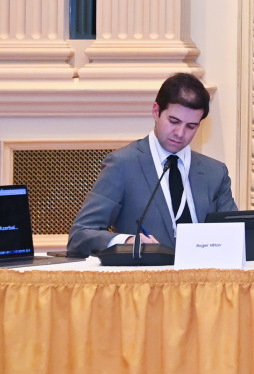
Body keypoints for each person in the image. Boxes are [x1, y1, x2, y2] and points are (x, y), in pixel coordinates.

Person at [67, 73, 237, 257]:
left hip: (205, 273)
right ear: (156, 111)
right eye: (174, 121)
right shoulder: (122, 165)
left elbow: (235, 237)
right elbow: (80, 236)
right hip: (146, 274)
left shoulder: (215, 173)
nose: (180, 133)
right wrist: (128, 242)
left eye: (191, 126)